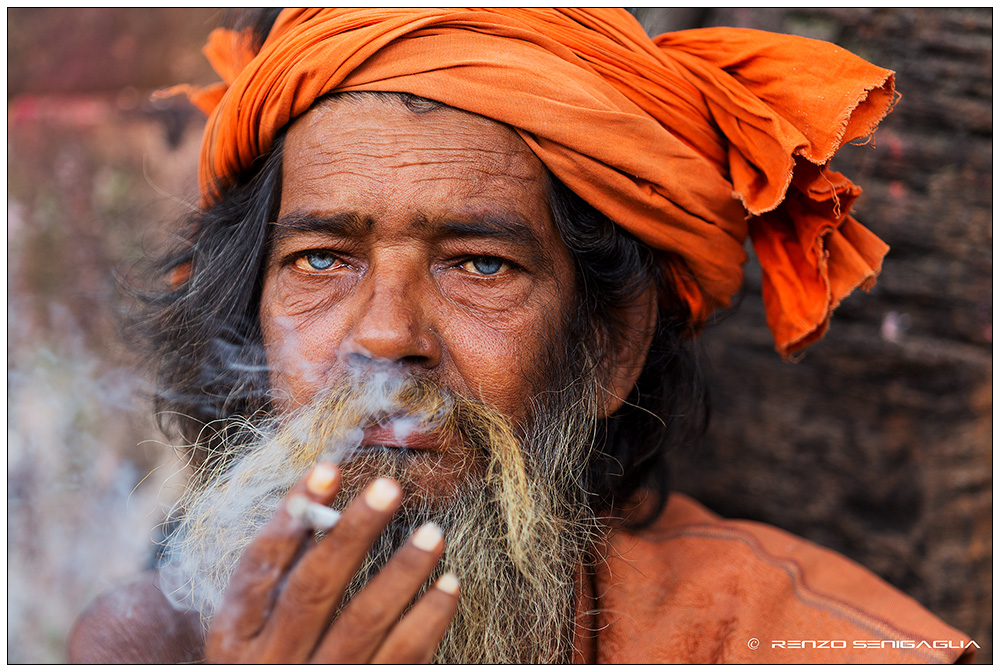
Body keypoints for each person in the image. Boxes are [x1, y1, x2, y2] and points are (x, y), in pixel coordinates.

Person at [67, 8, 975, 664]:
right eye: (321, 259)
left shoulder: (802, 647)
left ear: (609, 347)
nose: (385, 338)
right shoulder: (153, 648)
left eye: (480, 264)